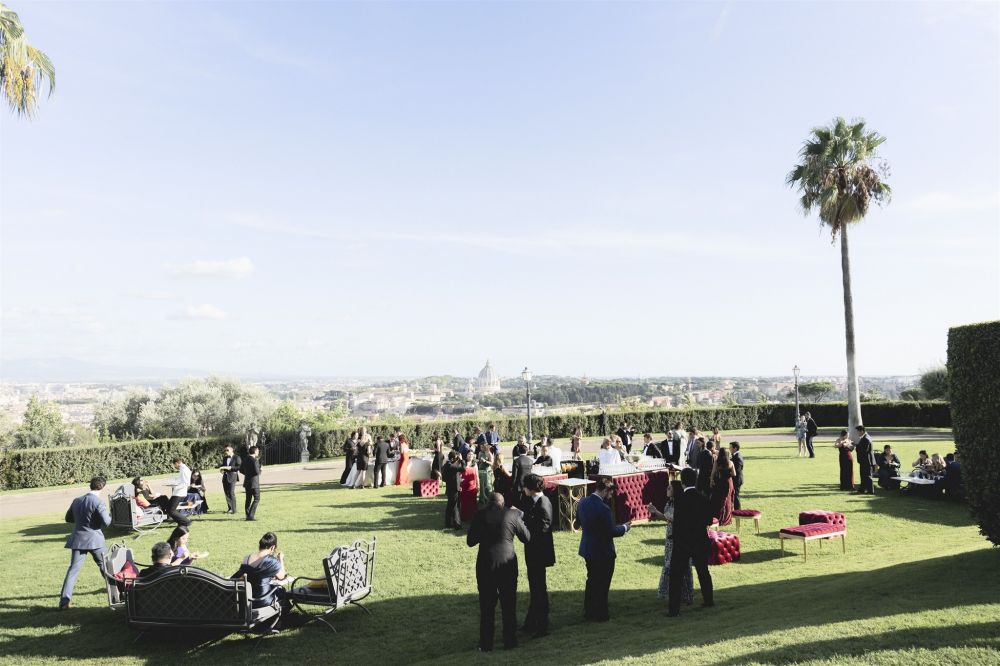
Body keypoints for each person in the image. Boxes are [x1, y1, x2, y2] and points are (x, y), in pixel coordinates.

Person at [467, 493, 530, 652]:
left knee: (487, 606)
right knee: (509, 603)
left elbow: (470, 541)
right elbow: (526, 537)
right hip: (507, 563)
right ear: (503, 503)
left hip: (485, 564)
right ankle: (510, 640)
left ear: (489, 503)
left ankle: (486, 643)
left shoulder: (480, 515)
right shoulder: (512, 515)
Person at [577, 478, 630, 622]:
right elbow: (612, 531)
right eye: (611, 493)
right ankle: (601, 614)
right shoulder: (604, 508)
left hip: (588, 548)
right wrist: (625, 527)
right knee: (603, 584)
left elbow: (579, 521)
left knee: (592, 581)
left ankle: (589, 611)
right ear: (606, 490)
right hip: (603, 551)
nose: (611, 496)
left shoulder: (582, 502)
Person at [59, 476, 113, 609]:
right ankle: (117, 593)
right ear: (103, 487)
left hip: (78, 539)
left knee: (73, 570)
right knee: (106, 567)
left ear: (90, 485)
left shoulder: (77, 500)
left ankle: (64, 603)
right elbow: (106, 522)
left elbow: (68, 518)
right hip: (95, 540)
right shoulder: (98, 502)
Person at [668, 468, 714, 617]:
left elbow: (678, 522)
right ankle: (709, 600)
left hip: (683, 542)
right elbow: (708, 520)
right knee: (703, 572)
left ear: (682, 481)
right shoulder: (703, 498)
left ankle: (674, 610)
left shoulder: (680, 499)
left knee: (676, 576)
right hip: (700, 540)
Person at [648, 480, 693, 606]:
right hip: (670, 536)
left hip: (678, 537)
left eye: (669, 488)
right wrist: (655, 511)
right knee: (669, 564)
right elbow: (668, 518)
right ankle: (670, 594)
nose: (667, 489)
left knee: (677, 567)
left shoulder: (680, 503)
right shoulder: (670, 502)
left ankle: (683, 596)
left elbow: (674, 518)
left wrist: (658, 513)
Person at [520, 474, 554, 637]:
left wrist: (523, 521)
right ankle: (531, 623)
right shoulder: (535, 502)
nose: (523, 489)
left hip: (538, 553)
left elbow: (543, 529)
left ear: (532, 488)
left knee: (539, 589)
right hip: (534, 553)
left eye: (525, 486)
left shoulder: (543, 503)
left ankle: (542, 626)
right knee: (536, 588)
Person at [232, 532, 290, 613]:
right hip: (262, 600)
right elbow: (282, 576)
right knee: (281, 591)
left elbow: (242, 576)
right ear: (272, 547)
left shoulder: (247, 558)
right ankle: (280, 619)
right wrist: (280, 559)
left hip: (246, 599)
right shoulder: (272, 561)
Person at [709, 449, 735, 526]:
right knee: (727, 500)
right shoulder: (730, 462)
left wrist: (711, 481)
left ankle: (717, 517)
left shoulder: (717, 462)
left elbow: (713, 473)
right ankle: (726, 518)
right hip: (728, 482)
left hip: (719, 482)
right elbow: (734, 474)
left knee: (718, 499)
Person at [167, 457, 193, 526]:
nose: (174, 467)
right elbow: (181, 480)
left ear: (177, 463)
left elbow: (186, 483)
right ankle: (182, 522)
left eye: (174, 465)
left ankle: (186, 522)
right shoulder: (182, 469)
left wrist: (175, 486)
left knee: (171, 510)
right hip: (178, 492)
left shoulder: (184, 469)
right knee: (170, 509)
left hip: (179, 493)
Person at [442, 451, 465, 529]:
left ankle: (448, 523)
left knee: (450, 506)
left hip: (450, 488)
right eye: (456, 458)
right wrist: (462, 460)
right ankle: (457, 524)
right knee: (455, 506)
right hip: (453, 489)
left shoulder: (447, 465)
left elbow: (445, 478)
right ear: (453, 458)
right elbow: (463, 469)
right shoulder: (451, 466)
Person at [241, 446, 262, 520]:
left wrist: (247, 474)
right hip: (254, 483)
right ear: (255, 451)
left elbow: (241, 470)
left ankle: (247, 515)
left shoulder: (245, 459)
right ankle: (250, 516)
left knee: (248, 499)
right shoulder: (255, 460)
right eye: (258, 451)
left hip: (247, 482)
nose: (258, 452)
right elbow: (257, 472)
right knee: (257, 499)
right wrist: (260, 470)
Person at [220, 445, 241, 514]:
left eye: (227, 450)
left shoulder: (236, 457)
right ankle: (230, 508)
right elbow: (223, 466)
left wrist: (231, 468)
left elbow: (239, 467)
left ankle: (234, 510)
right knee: (226, 493)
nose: (226, 452)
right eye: (225, 450)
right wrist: (222, 470)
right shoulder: (225, 458)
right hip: (225, 477)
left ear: (232, 450)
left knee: (231, 493)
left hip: (232, 477)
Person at [460, 451, 480, 523]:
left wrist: (478, 485)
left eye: (471, 454)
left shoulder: (475, 465)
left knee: (473, 502)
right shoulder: (463, 464)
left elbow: (477, 476)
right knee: (464, 502)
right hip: (464, 486)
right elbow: (459, 474)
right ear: (466, 455)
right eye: (469, 454)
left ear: (474, 456)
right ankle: (465, 517)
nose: (470, 456)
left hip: (473, 486)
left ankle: (473, 517)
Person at [855, 425, 875, 495]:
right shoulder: (865, 437)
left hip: (866, 460)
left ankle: (870, 491)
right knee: (863, 475)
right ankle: (862, 489)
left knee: (867, 475)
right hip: (864, 460)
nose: (857, 433)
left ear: (862, 431)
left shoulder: (866, 438)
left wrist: (855, 446)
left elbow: (864, 450)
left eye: (858, 431)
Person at [729, 442, 744, 510]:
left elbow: (737, 471)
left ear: (735, 448)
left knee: (736, 496)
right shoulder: (735, 455)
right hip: (736, 479)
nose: (729, 449)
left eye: (730, 447)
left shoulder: (737, 457)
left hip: (737, 480)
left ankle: (738, 511)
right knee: (735, 495)